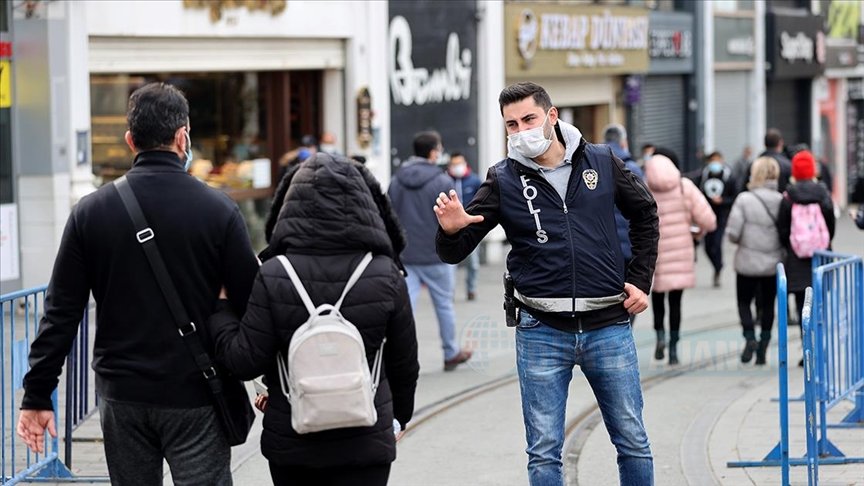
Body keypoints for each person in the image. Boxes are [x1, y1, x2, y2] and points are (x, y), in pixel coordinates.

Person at [17, 82, 259, 484]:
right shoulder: (219, 210)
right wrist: (266, 375)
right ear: (183, 137)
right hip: (197, 392)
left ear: (131, 141)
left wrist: (38, 394)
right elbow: (253, 303)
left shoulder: (91, 213)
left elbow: (61, 313)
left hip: (122, 393)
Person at [434, 82, 659, 485]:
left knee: (632, 439)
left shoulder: (602, 162)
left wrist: (640, 279)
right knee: (543, 453)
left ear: (552, 116)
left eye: (529, 119)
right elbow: (457, 249)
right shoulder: (503, 178)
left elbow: (645, 214)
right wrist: (451, 232)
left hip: (607, 324)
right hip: (541, 330)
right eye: (511, 124)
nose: (521, 131)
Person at [206, 153, 419, 486]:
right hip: (366, 437)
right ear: (363, 203)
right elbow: (405, 362)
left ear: (291, 206)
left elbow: (245, 360)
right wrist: (398, 418)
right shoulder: (385, 273)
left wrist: (220, 312)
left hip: (293, 440)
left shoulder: (275, 274)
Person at [388, 131, 472, 371]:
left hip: (405, 256)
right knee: (444, 304)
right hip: (438, 254)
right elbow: (454, 220)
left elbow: (388, 215)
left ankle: (402, 357)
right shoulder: (442, 182)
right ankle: (450, 352)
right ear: (434, 152)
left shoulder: (396, 181)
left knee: (406, 309)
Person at [644, 148, 716, 364]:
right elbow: (709, 221)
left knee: (657, 298)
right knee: (675, 302)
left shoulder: (643, 186)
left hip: (653, 252)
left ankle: (660, 338)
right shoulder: (685, 187)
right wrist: (697, 231)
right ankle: (674, 348)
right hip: (681, 252)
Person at [725, 157, 784, 365]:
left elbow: (732, 233)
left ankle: (749, 337)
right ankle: (763, 347)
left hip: (747, 262)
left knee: (743, 302)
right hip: (772, 263)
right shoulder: (781, 200)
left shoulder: (744, 199)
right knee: (769, 304)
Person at [778, 150, 836, 360]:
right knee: (819, 306)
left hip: (796, 258)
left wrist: (793, 246)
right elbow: (830, 225)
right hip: (820, 257)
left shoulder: (788, 196)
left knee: (803, 306)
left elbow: (782, 229)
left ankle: (807, 352)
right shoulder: (823, 194)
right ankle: (820, 349)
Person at [693, 151, 736, 287]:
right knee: (707, 247)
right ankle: (718, 265)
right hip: (706, 216)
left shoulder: (729, 177)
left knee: (716, 245)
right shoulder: (703, 176)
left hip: (721, 216)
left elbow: (734, 197)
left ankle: (718, 268)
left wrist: (722, 201)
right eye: (713, 160)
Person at [447, 152, 483, 301]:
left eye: (459, 163)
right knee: (449, 264)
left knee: (473, 263)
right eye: (454, 164)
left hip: (470, 229)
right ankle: (449, 291)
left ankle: (471, 289)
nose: (457, 167)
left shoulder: (474, 181)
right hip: (451, 229)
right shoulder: (445, 181)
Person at [758, 128, 792, 193]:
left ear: (764, 143)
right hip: (780, 201)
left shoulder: (755, 164)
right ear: (780, 143)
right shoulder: (787, 164)